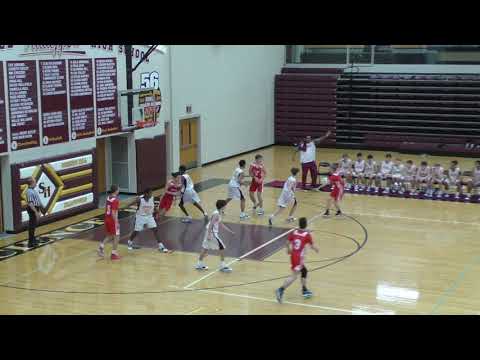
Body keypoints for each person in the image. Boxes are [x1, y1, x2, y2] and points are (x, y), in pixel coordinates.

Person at [275, 217, 319, 303]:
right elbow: (312, 246)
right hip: (299, 258)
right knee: (294, 276)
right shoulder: (307, 235)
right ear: (306, 224)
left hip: (293, 256)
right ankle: (280, 290)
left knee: (304, 271)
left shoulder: (294, 232)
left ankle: (304, 290)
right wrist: (316, 249)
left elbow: (287, 242)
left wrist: (288, 249)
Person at [195, 199, 235, 273]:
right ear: (222, 206)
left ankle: (199, 264)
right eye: (225, 205)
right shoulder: (216, 214)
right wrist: (209, 235)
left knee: (205, 248)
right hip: (212, 233)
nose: (226, 206)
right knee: (222, 247)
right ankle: (222, 265)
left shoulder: (218, 213)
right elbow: (211, 224)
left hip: (209, 232)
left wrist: (230, 231)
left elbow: (220, 224)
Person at [127, 188, 170, 253]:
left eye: (151, 193)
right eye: (150, 193)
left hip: (149, 216)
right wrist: (124, 206)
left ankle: (161, 245)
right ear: (146, 194)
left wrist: (157, 212)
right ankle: (130, 241)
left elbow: (153, 206)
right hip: (140, 217)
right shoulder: (139, 199)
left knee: (155, 230)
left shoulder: (151, 198)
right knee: (137, 231)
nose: (151, 194)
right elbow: (130, 204)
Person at [98, 184, 121, 260]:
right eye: (118, 189)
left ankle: (101, 246)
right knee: (116, 236)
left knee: (110, 235)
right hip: (112, 220)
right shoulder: (116, 200)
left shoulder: (108, 198)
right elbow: (113, 213)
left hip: (106, 219)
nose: (119, 190)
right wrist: (116, 222)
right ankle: (114, 254)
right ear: (116, 190)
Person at [26, 177, 42, 248]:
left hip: (35, 208)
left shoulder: (33, 190)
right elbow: (30, 203)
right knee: (32, 226)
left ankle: (33, 239)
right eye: (35, 182)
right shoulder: (29, 191)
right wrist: (35, 211)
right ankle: (30, 242)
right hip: (32, 209)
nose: (36, 183)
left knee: (33, 225)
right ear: (31, 183)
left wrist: (39, 210)